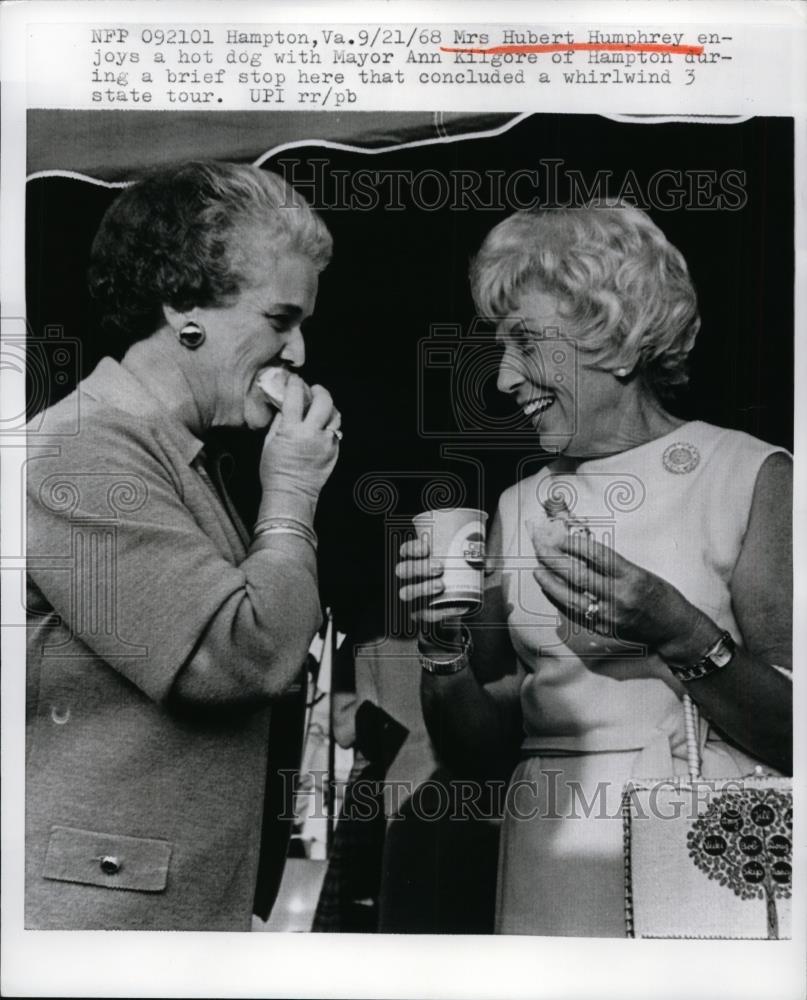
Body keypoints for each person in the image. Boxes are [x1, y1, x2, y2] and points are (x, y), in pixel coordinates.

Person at [396, 202, 792, 936]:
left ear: (615, 338)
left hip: (703, 840)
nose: (504, 377)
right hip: (548, 856)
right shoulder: (518, 506)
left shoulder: (751, 475)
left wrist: (677, 631)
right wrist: (440, 648)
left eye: (524, 343)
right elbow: (475, 763)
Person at [25, 161, 341, 930]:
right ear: (184, 306)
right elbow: (239, 658)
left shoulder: (175, 454)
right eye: (278, 319)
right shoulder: (79, 453)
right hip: (96, 924)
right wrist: (293, 497)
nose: (296, 353)